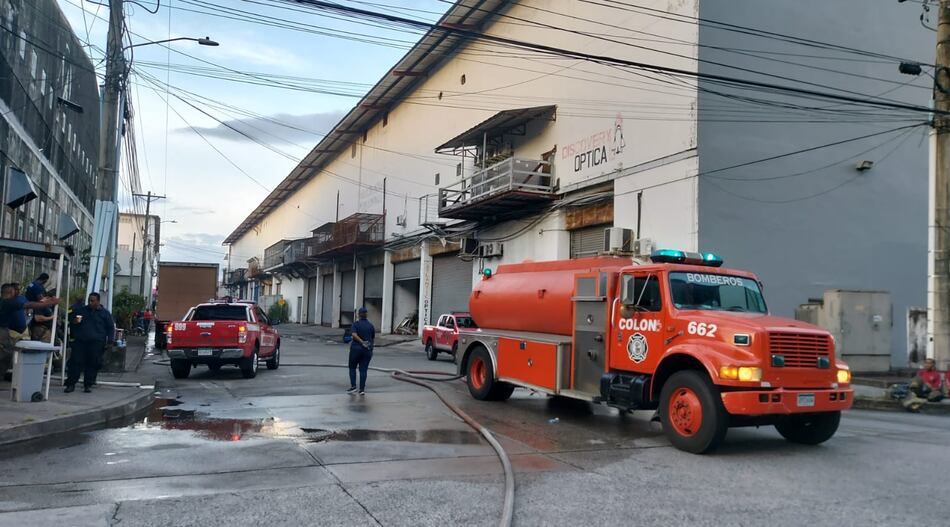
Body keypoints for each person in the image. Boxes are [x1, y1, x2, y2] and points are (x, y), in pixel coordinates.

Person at [0, 283, 59, 379]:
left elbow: (30, 304)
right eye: (15, 290)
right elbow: (30, 304)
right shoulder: (8, 302)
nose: (17, 292)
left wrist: (46, 302)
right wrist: (49, 303)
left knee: (8, 355)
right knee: (5, 354)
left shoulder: (14, 300)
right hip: (5, 332)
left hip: (13, 331)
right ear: (10, 292)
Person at [65, 293, 115, 393]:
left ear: (98, 301)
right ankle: (71, 384)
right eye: (89, 300)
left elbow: (110, 327)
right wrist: (75, 322)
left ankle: (88, 384)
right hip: (81, 341)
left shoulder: (105, 313)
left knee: (92, 363)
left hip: (96, 342)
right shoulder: (82, 310)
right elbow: (72, 321)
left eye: (93, 301)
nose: (90, 303)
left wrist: (110, 341)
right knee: (75, 362)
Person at [347, 307, 375, 396]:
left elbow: (354, 334)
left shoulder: (355, 324)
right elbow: (372, 338)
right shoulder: (370, 325)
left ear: (359, 315)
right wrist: (371, 349)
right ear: (366, 314)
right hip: (367, 351)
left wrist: (361, 342)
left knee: (352, 367)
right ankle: (362, 389)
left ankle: (353, 386)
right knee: (363, 370)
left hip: (356, 349)